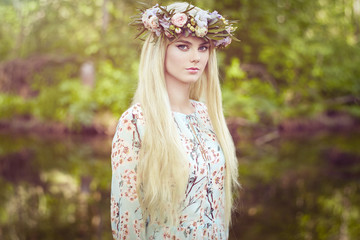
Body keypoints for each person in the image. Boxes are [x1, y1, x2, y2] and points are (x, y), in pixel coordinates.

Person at [111, 2, 239, 239]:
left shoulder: (207, 115)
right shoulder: (137, 121)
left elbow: (218, 208)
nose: (196, 57)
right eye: (183, 46)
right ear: (160, 50)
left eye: (203, 48)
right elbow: (127, 220)